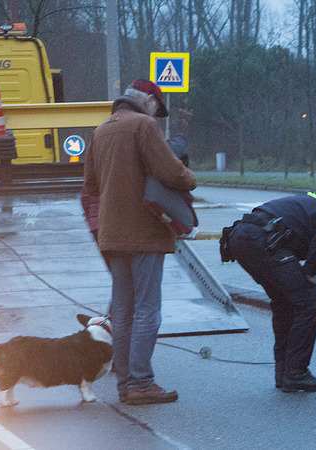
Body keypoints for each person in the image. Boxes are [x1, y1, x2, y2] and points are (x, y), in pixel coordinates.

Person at [83, 79, 196, 405]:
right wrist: (191, 177)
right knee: (148, 309)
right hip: (144, 233)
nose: (156, 115)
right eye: (155, 108)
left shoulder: (101, 129)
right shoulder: (144, 126)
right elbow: (172, 173)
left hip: (111, 234)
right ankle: (141, 383)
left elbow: (91, 184)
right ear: (146, 100)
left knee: (122, 310)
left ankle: (125, 384)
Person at [226, 192, 316, 392]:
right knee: (310, 301)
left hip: (242, 237)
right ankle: (296, 372)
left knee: (284, 302)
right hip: (260, 237)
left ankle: (284, 373)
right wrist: (309, 273)